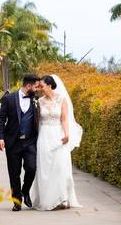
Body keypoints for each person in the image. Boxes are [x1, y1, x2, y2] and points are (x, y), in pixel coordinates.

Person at [30, 74, 82, 210]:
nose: (40, 88)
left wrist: (66, 134)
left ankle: (63, 197)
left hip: (58, 135)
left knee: (60, 166)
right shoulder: (39, 101)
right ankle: (47, 199)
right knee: (45, 168)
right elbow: (37, 121)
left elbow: (64, 118)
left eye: (42, 85)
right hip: (44, 136)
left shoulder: (61, 99)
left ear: (50, 85)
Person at [0, 74, 41, 211]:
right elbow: (1, 119)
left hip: (30, 141)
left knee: (32, 168)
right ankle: (17, 201)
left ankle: (25, 190)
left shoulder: (36, 99)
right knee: (14, 173)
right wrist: (0, 137)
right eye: (36, 86)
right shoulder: (8, 99)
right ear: (28, 86)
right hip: (13, 142)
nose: (37, 88)